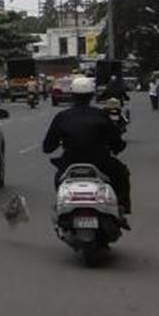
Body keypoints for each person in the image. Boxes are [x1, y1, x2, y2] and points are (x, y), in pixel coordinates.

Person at [42, 76, 132, 221]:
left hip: (70, 163)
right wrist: (117, 147)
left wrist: (58, 143)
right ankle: (122, 208)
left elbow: (47, 146)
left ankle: (62, 211)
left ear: (72, 95)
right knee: (122, 175)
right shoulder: (101, 115)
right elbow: (117, 140)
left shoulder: (62, 117)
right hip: (100, 163)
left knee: (58, 180)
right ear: (91, 95)